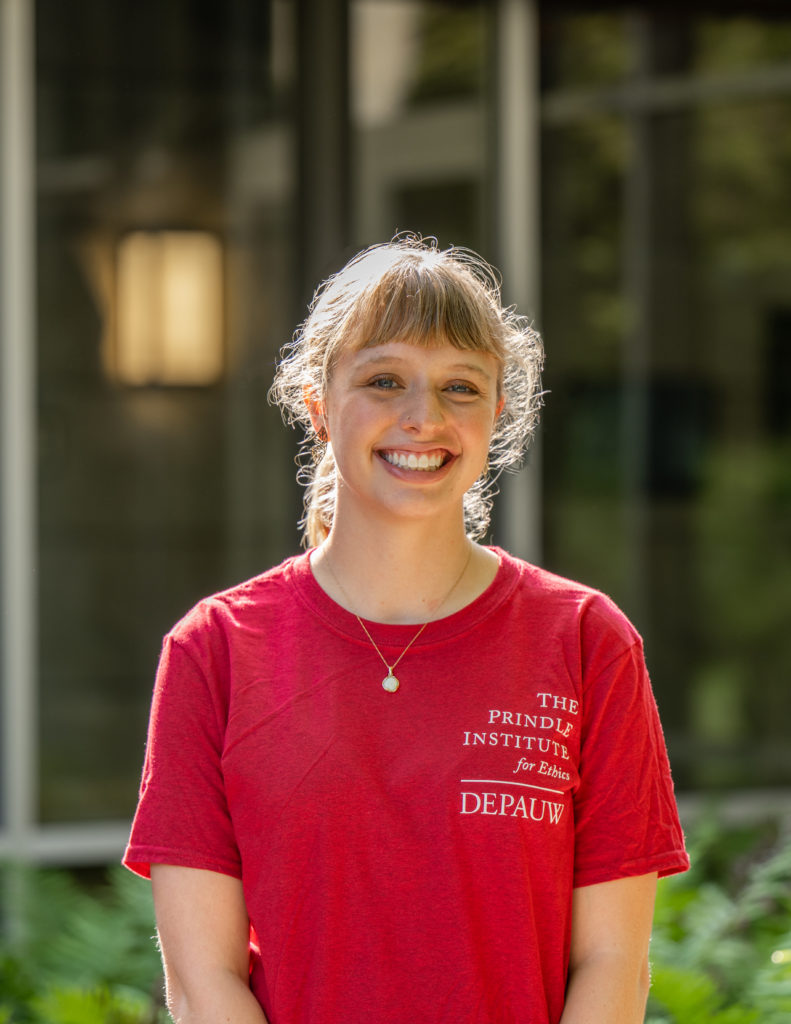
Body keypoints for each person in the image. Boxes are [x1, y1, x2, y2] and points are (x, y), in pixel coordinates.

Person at [124, 235, 689, 1024]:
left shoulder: (587, 641)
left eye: (460, 387)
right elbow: (202, 981)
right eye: (383, 380)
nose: (422, 418)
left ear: (496, 413)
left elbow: (612, 964)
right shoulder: (216, 648)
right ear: (319, 405)